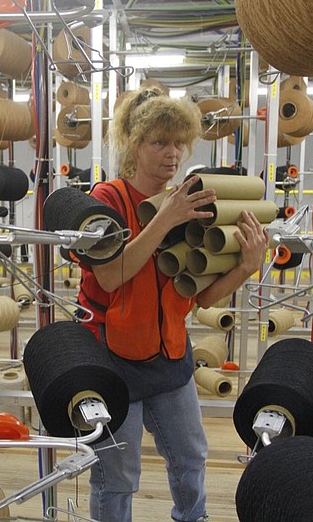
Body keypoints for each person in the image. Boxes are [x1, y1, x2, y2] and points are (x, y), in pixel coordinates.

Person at [77, 86, 269, 522]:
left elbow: (200, 296)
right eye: (159, 142)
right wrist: (167, 216)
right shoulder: (107, 200)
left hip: (170, 354)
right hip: (113, 358)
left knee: (191, 456)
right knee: (118, 474)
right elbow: (109, 275)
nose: (173, 153)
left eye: (179, 142)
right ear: (134, 144)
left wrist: (246, 267)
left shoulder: (185, 201)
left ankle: (192, 518)